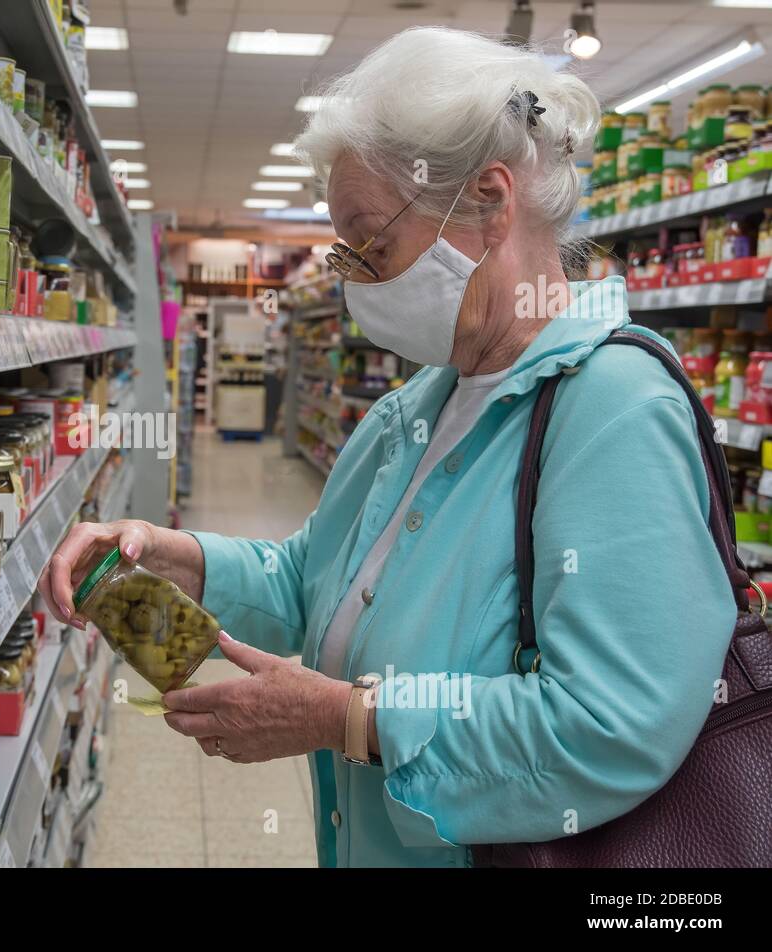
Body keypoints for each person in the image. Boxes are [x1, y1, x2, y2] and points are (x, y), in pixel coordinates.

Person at [38, 27, 734, 867]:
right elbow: (312, 580)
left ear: (489, 201)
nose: (356, 281)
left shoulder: (613, 409)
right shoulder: (421, 401)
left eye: (372, 245)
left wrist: (346, 719)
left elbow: (610, 722)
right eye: (345, 254)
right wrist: (161, 554)